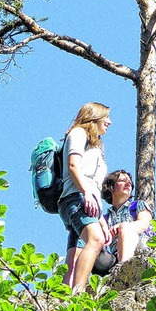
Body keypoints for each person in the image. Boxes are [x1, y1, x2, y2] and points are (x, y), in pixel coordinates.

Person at [57, 102, 112, 290]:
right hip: (76, 198)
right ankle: (78, 294)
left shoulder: (96, 146)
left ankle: (63, 298)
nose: (109, 122)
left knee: (75, 256)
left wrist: (101, 221)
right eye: (106, 117)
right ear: (94, 117)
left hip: (86, 202)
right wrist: (85, 191)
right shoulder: (78, 133)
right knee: (95, 240)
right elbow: (73, 165)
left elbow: (94, 186)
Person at [100, 169, 153, 265]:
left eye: (129, 182)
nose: (128, 184)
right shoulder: (105, 219)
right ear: (110, 187)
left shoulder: (137, 205)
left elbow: (144, 223)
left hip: (140, 248)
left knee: (125, 227)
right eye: (122, 181)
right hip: (115, 255)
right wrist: (108, 237)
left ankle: (123, 267)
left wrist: (121, 226)